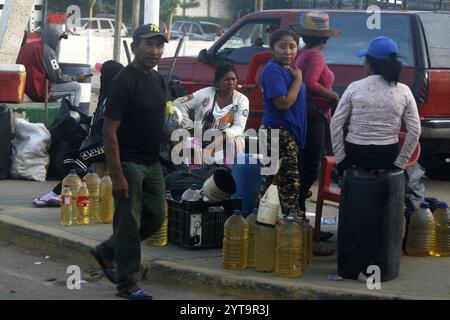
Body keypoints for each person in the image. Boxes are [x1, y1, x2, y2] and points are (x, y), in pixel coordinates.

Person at [91, 24, 169, 300]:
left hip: (152, 163)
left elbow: (156, 119)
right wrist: (117, 173)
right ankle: (126, 284)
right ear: (134, 46)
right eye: (148, 44)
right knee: (128, 223)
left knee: (157, 216)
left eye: (159, 45)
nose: (154, 51)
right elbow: (109, 130)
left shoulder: (159, 81)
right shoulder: (124, 81)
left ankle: (108, 251)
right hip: (129, 163)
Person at [32, 60, 124, 207]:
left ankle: (59, 192)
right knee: (69, 155)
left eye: (103, 76)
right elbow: (97, 118)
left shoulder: (118, 96)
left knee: (82, 159)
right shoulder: (105, 95)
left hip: (112, 143)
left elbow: (110, 125)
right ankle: (70, 189)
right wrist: (80, 118)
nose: (100, 79)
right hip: (98, 140)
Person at [330, 36, 421, 175]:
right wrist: (400, 163)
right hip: (388, 154)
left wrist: (341, 159)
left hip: (355, 152)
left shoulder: (354, 87)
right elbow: (415, 131)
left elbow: (335, 124)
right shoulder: (404, 90)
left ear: (369, 64)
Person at [291, 12, 341, 219]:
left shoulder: (302, 54)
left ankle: (296, 211)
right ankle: (298, 212)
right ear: (325, 37)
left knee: (303, 165)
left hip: (305, 115)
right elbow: (310, 83)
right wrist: (333, 95)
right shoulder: (315, 56)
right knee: (310, 168)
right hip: (315, 116)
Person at [257, 29, 307, 214]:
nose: (288, 51)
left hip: (285, 133)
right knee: (287, 185)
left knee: (272, 181)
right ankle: (289, 224)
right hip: (277, 133)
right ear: (272, 48)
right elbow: (283, 103)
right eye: (282, 46)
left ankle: (260, 222)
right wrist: (299, 79)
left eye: (292, 47)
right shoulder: (272, 70)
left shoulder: (287, 70)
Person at [174, 62, 249, 165]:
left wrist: (221, 136)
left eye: (234, 79)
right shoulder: (205, 94)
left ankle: (229, 173)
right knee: (178, 143)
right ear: (217, 82)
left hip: (224, 141)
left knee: (238, 141)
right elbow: (178, 104)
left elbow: (239, 127)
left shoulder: (242, 100)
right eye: (226, 80)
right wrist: (189, 127)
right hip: (199, 139)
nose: (231, 83)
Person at [16, 24, 86, 110]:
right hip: (39, 91)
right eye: (58, 39)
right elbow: (57, 77)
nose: (58, 43)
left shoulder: (28, 46)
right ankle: (73, 116)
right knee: (76, 87)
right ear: (52, 37)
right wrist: (75, 78)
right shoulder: (47, 51)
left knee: (59, 97)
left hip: (25, 91)